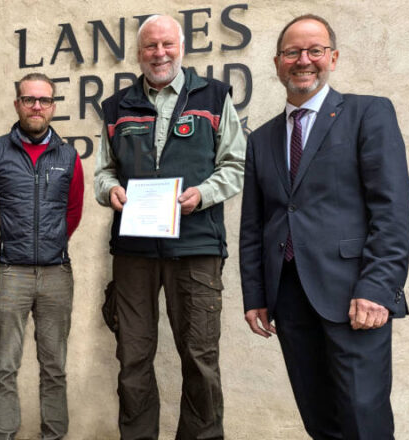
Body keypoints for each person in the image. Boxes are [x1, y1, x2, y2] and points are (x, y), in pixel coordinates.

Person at [239, 14, 409, 440]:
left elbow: (391, 211)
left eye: (315, 50)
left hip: (353, 297)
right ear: (277, 62)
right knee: (319, 420)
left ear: (332, 57)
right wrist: (256, 295)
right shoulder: (260, 139)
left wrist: (377, 288)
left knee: (363, 419)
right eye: (292, 52)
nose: (304, 60)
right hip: (290, 300)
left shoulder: (367, 113)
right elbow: (254, 226)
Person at [94, 14, 246, 440]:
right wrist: (110, 192)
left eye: (166, 45)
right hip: (134, 251)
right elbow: (104, 171)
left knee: (199, 357)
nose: (159, 53)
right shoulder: (116, 106)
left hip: (196, 247)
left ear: (181, 48)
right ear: (138, 53)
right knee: (133, 356)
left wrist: (203, 194)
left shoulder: (214, 97)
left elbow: (235, 165)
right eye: (149, 47)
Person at [0, 73, 84, 440]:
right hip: (10, 272)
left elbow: (72, 212)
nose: (36, 106)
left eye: (44, 100)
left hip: (57, 274)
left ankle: (53, 435)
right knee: (4, 366)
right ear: (17, 104)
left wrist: (50, 244)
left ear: (54, 106)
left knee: (55, 367)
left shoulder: (69, 155)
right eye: (29, 100)